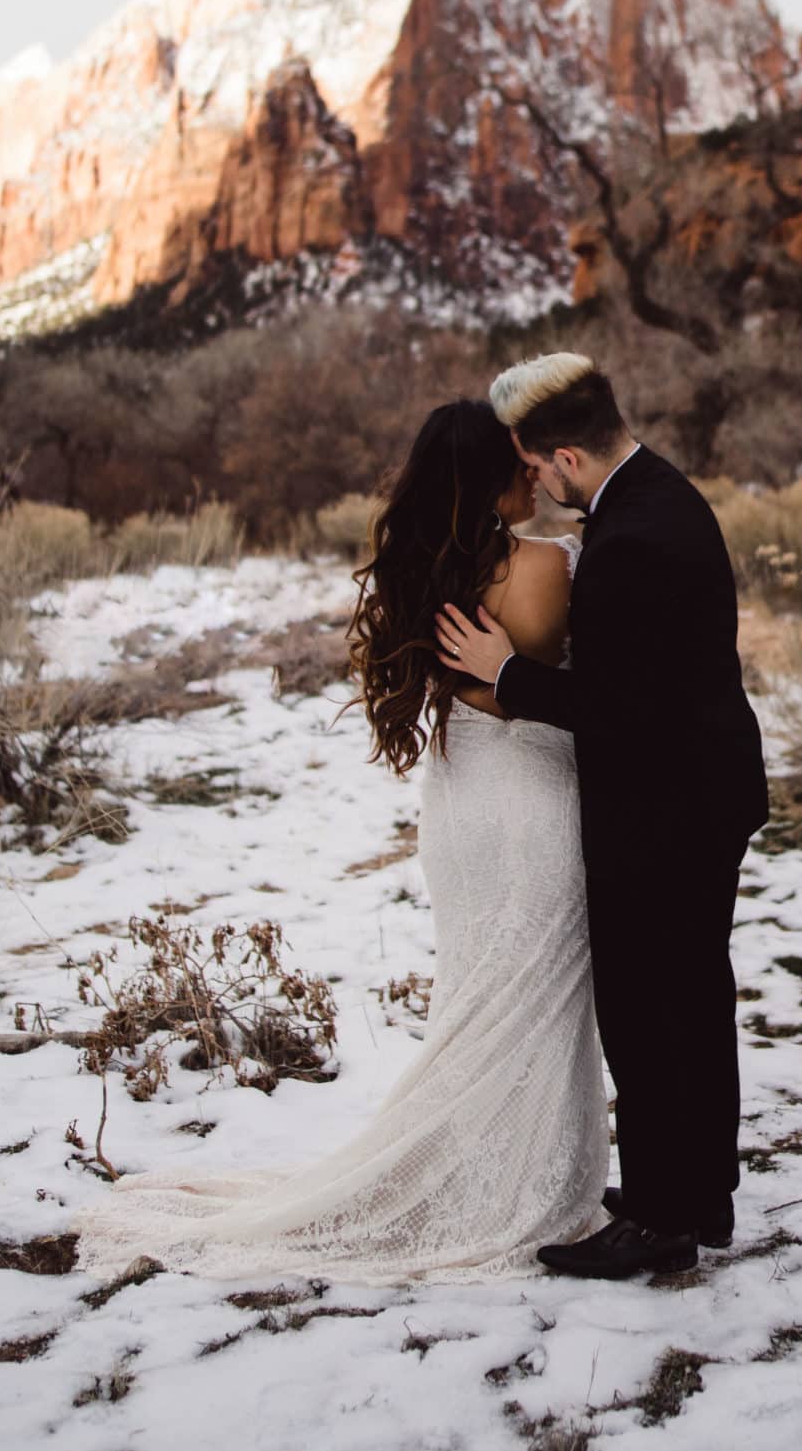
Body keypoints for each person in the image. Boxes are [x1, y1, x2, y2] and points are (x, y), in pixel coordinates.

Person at [70, 399, 608, 1286]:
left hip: (460, 799)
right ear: (487, 475)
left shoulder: (419, 570)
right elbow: (545, 686)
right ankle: (515, 1188)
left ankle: (487, 1167)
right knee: (534, 992)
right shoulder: (549, 564)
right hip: (531, 792)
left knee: (485, 989)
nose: (530, 477)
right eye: (516, 464)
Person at [437, 354, 769, 1281]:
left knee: (649, 1011)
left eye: (538, 466)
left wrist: (506, 675)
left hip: (664, 809)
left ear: (569, 455)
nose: (534, 481)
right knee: (694, 1002)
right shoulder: (661, 495)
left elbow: (619, 708)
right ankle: (697, 1191)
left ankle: (663, 1220)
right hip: (701, 791)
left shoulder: (631, 540)